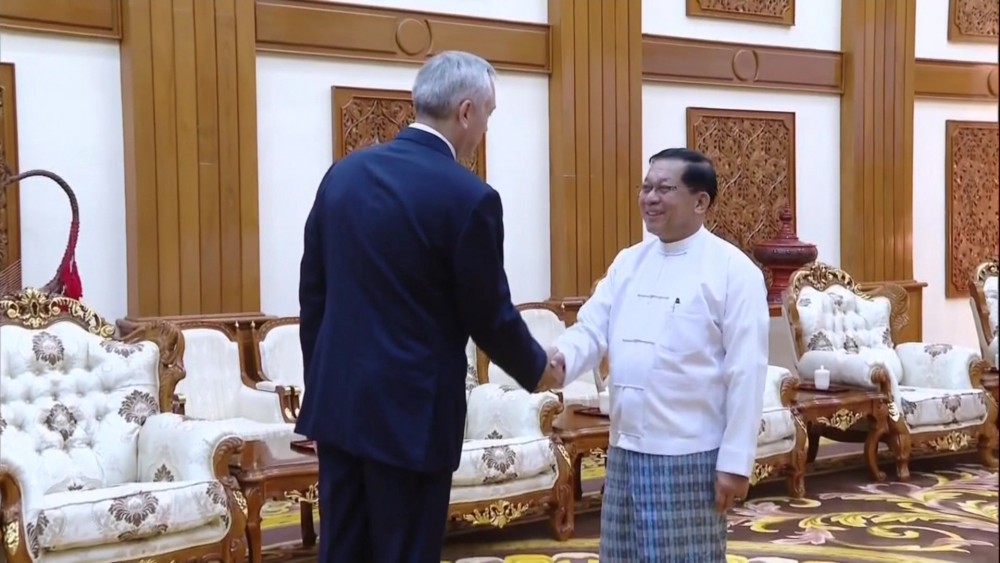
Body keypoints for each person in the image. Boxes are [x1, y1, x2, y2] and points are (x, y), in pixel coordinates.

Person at [295, 50, 565, 563]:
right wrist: (538, 369)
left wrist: (325, 380)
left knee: (343, 549)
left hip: (339, 406)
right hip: (413, 416)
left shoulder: (344, 175)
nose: (485, 128)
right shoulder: (469, 197)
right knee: (405, 551)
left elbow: (315, 294)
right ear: (466, 111)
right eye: (488, 115)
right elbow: (489, 314)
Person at [550, 148, 769, 561]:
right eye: (646, 187)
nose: (650, 198)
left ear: (700, 201)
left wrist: (736, 463)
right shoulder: (628, 262)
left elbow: (746, 372)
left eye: (664, 189)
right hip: (625, 450)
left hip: (691, 457)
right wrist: (558, 360)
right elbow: (591, 329)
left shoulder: (733, 271)